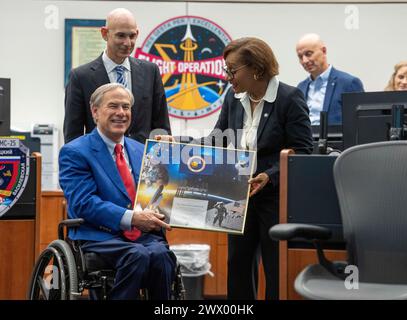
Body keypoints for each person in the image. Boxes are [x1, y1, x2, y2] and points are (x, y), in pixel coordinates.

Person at [157, 37, 313, 299]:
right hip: (237, 193)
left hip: (274, 197)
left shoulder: (289, 97)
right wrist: (178, 142)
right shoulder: (233, 98)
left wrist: (269, 176)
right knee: (238, 265)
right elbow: (216, 142)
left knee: (275, 267)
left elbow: (303, 150)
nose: (228, 76)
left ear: (256, 68)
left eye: (232, 70)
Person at [59, 83, 175, 300]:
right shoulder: (75, 152)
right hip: (99, 235)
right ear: (95, 111)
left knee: (162, 255)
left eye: (126, 107)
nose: (121, 113)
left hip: (143, 237)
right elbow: (84, 203)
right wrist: (132, 218)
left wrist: (173, 161)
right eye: (113, 106)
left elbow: (158, 194)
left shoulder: (143, 150)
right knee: (137, 255)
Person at [64, 8, 170, 144]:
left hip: (141, 160)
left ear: (137, 33)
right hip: (99, 162)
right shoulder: (80, 77)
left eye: (132, 36)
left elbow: (161, 127)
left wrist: (161, 161)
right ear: (104, 33)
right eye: (121, 36)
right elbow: (73, 135)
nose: (127, 43)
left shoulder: (150, 71)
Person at [296, 33, 364, 126]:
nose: (304, 61)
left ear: (323, 51)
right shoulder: (300, 88)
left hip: (336, 139)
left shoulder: (348, 83)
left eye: (308, 54)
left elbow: (361, 124)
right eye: (300, 57)